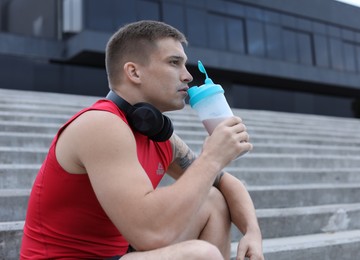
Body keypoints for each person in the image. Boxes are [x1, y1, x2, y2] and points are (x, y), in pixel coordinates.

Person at [20, 20, 264, 260]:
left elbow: (224, 183)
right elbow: (150, 234)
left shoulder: (156, 134)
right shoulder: (100, 125)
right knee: (201, 255)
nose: (187, 76)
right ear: (134, 72)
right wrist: (211, 158)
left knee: (213, 201)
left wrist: (252, 233)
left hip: (118, 254)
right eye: (174, 63)